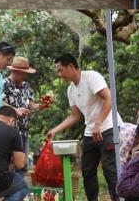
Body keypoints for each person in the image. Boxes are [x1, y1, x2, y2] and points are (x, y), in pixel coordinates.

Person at [46, 53, 123, 201]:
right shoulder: (71, 90)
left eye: (61, 70)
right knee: (87, 171)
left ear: (71, 66)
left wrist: (99, 123)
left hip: (108, 127)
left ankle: (118, 199)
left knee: (110, 170)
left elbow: (109, 98)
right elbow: (75, 116)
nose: (59, 74)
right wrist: (54, 130)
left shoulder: (91, 77)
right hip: (90, 132)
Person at [2, 56, 49, 178]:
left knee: (22, 166)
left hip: (23, 132)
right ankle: (6, 192)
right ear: (16, 71)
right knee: (7, 164)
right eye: (24, 74)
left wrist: (41, 105)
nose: (25, 76)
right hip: (8, 132)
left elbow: (31, 106)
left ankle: (17, 192)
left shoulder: (26, 86)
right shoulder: (4, 84)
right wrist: (15, 110)